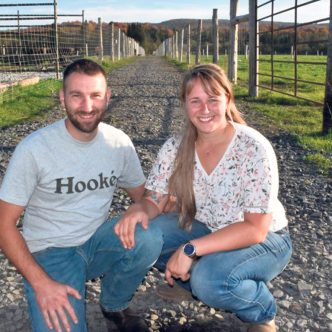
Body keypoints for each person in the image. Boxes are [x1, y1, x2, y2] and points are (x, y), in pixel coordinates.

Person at [115, 63, 292, 332]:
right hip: (208, 228)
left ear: (227, 100)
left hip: (266, 238)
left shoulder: (252, 146)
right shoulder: (176, 146)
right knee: (145, 234)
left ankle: (261, 312)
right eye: (195, 101)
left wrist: (190, 249)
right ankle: (189, 283)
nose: (205, 109)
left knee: (210, 279)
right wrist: (142, 210)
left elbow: (255, 229)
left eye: (212, 99)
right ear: (184, 104)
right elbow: (155, 199)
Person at [0, 59, 163, 332]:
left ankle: (114, 304)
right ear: (62, 97)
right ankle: (55, 285)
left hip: (96, 243)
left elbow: (144, 196)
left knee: (148, 236)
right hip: (50, 252)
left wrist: (150, 205)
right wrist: (42, 283)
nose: (87, 107)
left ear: (108, 97)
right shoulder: (35, 149)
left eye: (95, 95)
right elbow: (4, 225)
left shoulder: (117, 143)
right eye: (77, 96)